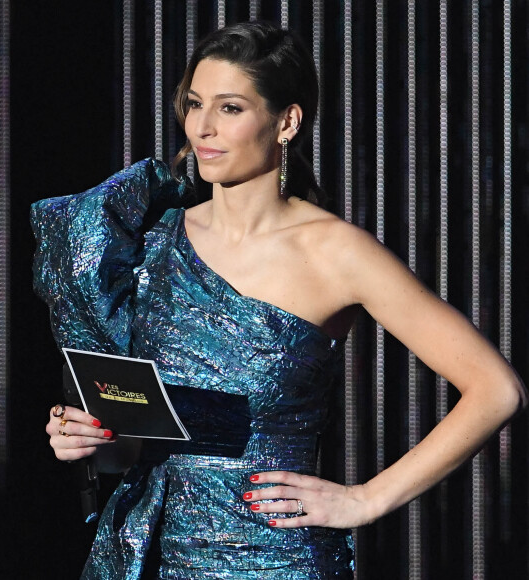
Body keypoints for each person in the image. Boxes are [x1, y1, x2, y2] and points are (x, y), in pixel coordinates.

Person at [33, 21, 526, 579]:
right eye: (195, 104)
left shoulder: (336, 252)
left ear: (286, 121)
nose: (203, 127)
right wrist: (90, 437)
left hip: (274, 559)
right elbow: (137, 440)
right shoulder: (153, 241)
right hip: (149, 551)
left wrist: (365, 500)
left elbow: (496, 390)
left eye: (231, 108)